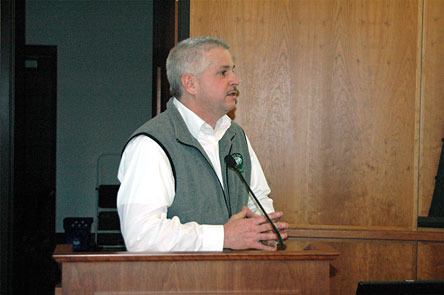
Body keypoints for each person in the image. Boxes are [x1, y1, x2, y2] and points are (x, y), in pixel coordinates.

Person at [117, 36, 288, 252]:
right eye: (223, 72)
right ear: (190, 83)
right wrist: (223, 237)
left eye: (233, 71)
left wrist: (265, 232)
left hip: (237, 279)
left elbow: (257, 200)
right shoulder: (150, 145)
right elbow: (141, 235)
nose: (235, 80)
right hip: (179, 283)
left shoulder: (236, 136)